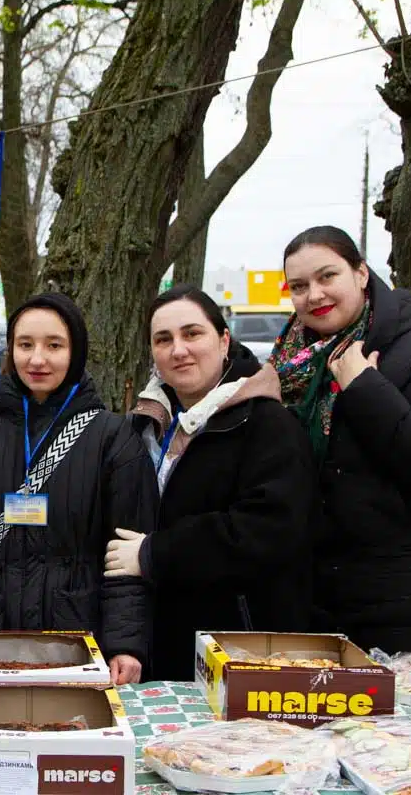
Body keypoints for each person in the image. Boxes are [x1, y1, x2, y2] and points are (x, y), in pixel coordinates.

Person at [0, 292, 152, 685]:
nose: (37, 359)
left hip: (81, 640)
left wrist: (125, 644)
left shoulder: (113, 439)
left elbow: (124, 556)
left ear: (75, 352)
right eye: (25, 345)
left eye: (54, 345)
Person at [273, 225, 411, 655]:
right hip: (318, 601)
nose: (314, 295)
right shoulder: (289, 370)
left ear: (361, 274)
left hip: (405, 604)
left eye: (327, 276)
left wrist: (366, 388)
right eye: (299, 286)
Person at [103, 285, 317, 681]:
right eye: (163, 339)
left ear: (223, 340)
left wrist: (155, 554)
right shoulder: (142, 425)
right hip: (156, 647)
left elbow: (269, 530)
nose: (178, 350)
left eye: (192, 334)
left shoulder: (268, 424)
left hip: (237, 653)